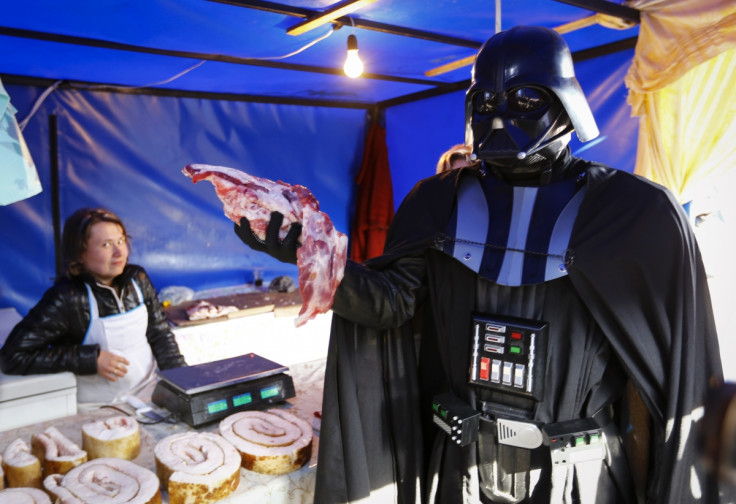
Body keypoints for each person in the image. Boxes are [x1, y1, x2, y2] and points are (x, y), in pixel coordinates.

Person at [234, 26, 724, 503]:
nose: (499, 117)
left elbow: (679, 375)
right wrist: (310, 255)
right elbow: (391, 303)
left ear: (566, 101)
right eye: (484, 102)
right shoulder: (436, 203)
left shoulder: (633, 213)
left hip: (577, 476)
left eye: (524, 99)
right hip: (458, 464)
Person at [0, 207, 186, 405]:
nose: (119, 252)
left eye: (121, 241)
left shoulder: (137, 279)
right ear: (80, 254)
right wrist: (89, 359)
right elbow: (13, 356)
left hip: (149, 394)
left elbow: (159, 334)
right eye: (106, 245)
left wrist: (184, 382)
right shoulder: (66, 298)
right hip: (98, 408)